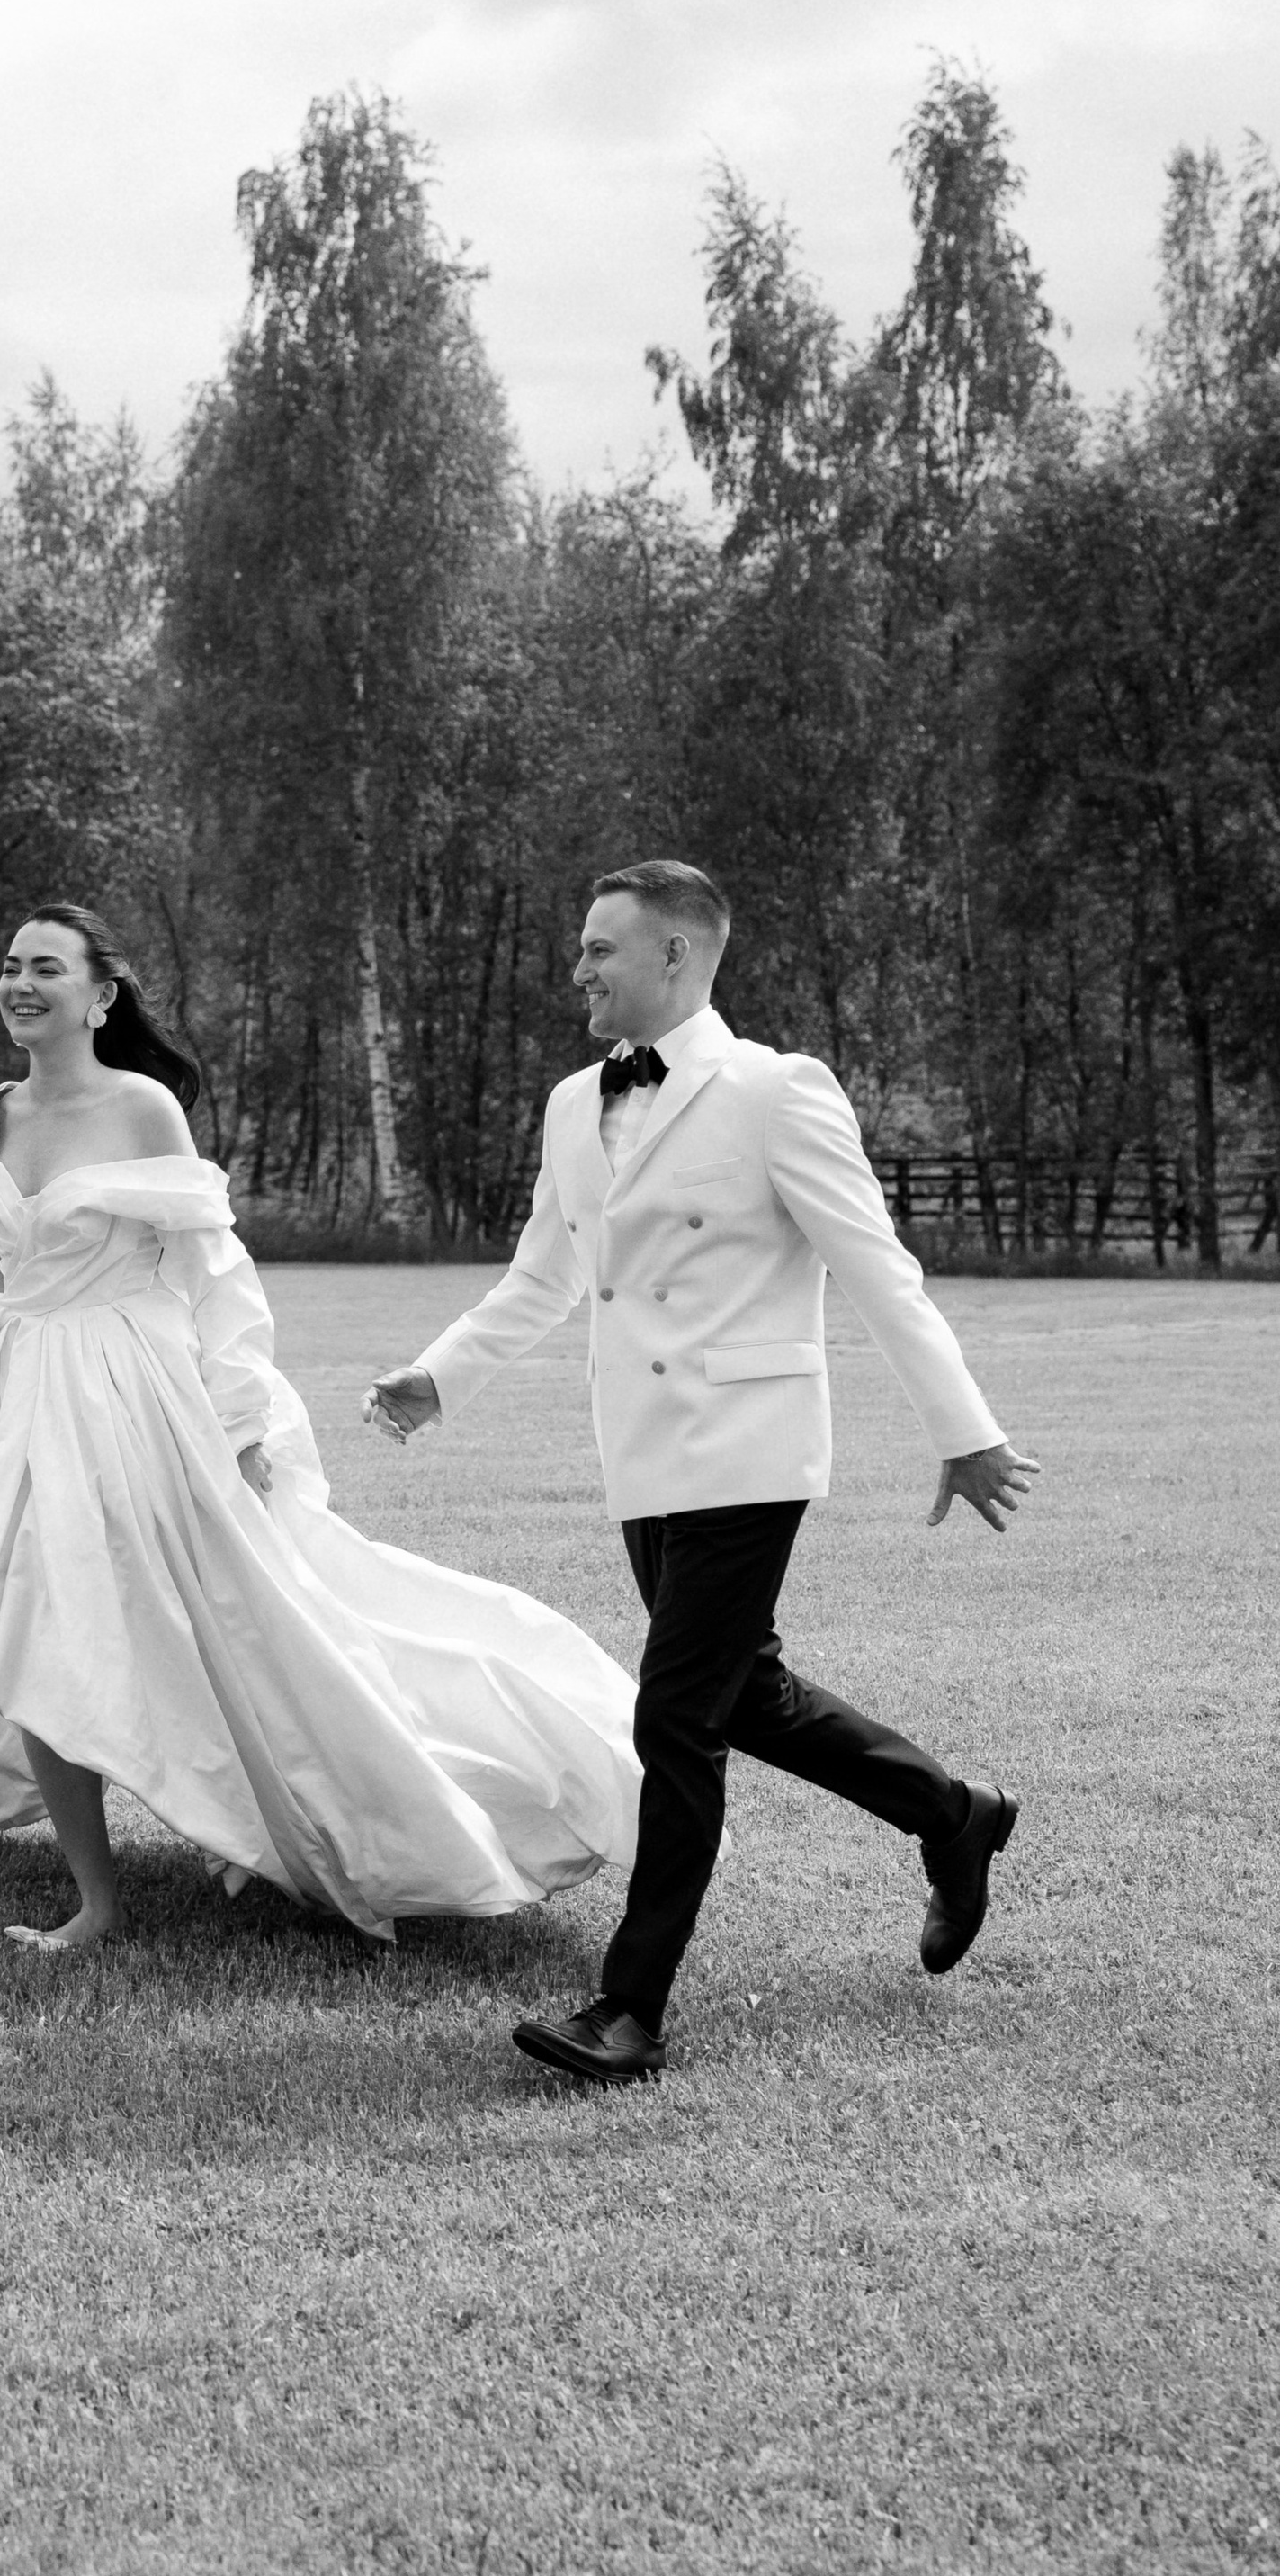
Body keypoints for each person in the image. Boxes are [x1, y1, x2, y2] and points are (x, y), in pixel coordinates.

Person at [0, 902, 641, 1952]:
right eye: (9, 966)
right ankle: (97, 1901)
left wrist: (244, 1422)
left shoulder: (142, 1110)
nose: (20, 984)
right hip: (27, 1390)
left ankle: (332, 1812)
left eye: (46, 967)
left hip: (137, 1394)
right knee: (33, 1618)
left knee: (224, 1619)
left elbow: (213, 1275)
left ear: (99, 995)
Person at [367, 859, 1040, 2085]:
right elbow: (545, 1277)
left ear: (676, 956)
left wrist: (965, 1427)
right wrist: (440, 1375)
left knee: (675, 1716)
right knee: (743, 1697)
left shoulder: (776, 1091)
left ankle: (629, 2008)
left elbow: (877, 1268)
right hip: (642, 1455)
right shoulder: (577, 1103)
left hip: (748, 1447)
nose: (577, 967)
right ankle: (955, 1813)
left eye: (598, 948)